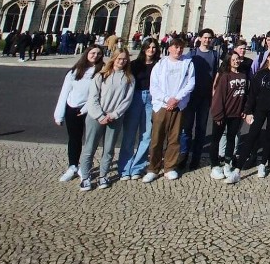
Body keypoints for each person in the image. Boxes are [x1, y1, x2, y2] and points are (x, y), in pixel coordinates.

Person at [79, 49, 135, 190]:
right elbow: (93, 98)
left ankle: (103, 175)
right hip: (96, 116)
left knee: (109, 148)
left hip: (114, 117)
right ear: (113, 59)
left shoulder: (129, 78)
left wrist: (114, 114)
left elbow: (127, 100)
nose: (122, 61)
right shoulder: (101, 75)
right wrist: (100, 115)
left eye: (124, 59)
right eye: (119, 58)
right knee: (89, 147)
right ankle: (85, 176)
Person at [142, 38, 195, 183]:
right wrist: (167, 99)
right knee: (156, 138)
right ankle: (153, 168)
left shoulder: (187, 63)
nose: (178, 50)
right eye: (176, 47)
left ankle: (169, 167)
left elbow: (190, 83)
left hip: (178, 105)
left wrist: (176, 99)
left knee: (174, 138)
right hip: (162, 105)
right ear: (170, 48)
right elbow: (154, 86)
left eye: (181, 48)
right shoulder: (160, 64)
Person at [230, 50, 270, 183]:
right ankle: (238, 169)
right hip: (259, 109)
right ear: (267, 59)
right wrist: (248, 111)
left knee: (269, 137)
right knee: (251, 136)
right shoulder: (259, 75)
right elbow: (252, 94)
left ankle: (263, 164)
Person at [53, 46, 105, 182]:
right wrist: (59, 114)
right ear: (87, 53)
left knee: (90, 140)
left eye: (99, 54)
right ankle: (72, 166)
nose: (95, 56)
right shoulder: (75, 71)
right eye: (93, 53)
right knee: (74, 138)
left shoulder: (102, 70)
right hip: (72, 107)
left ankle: (84, 166)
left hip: (90, 109)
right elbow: (65, 93)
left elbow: (101, 93)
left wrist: (87, 108)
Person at [117, 38, 160, 180]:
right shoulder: (134, 64)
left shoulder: (159, 65)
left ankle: (137, 167)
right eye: (149, 47)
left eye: (154, 47)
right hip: (135, 97)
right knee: (129, 134)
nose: (151, 50)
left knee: (146, 135)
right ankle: (124, 167)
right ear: (144, 48)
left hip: (151, 99)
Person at [180, 28, 218, 171]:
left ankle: (195, 159)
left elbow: (215, 76)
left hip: (205, 97)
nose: (207, 40)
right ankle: (183, 157)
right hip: (191, 96)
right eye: (205, 37)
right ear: (200, 38)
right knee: (186, 128)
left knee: (201, 129)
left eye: (209, 38)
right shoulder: (192, 54)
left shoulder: (215, 54)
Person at [209, 47, 250, 183]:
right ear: (229, 62)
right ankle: (215, 165)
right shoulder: (225, 76)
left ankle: (227, 164)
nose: (236, 61)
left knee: (231, 139)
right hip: (223, 113)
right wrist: (218, 115)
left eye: (237, 59)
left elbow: (245, 96)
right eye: (233, 60)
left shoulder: (243, 75)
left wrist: (244, 110)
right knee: (216, 139)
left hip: (236, 114)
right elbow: (218, 97)